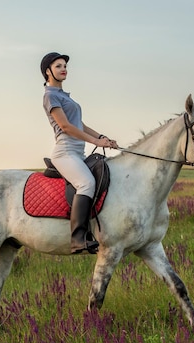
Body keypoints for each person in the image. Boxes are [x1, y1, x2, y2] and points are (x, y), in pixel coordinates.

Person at [41, 52, 119, 254]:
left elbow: (79, 125)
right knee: (86, 183)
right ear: (48, 72)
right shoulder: (50, 96)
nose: (64, 68)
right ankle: (78, 239)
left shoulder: (65, 97)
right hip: (65, 151)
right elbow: (66, 127)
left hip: (77, 152)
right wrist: (95, 141)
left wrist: (103, 137)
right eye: (58, 66)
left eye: (65, 65)